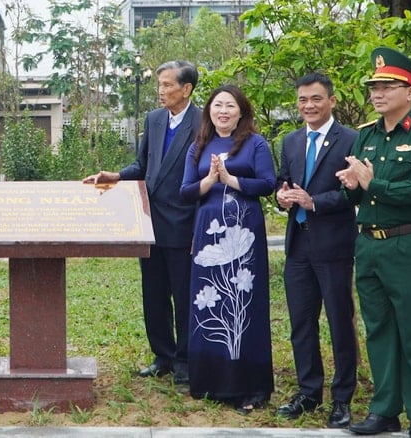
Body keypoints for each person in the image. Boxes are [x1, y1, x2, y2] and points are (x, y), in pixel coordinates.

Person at [337, 47, 411, 438]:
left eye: (388, 86)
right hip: (368, 244)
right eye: (374, 86)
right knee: (379, 329)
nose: (378, 93)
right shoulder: (365, 136)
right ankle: (385, 409)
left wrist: (373, 183)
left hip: (409, 244)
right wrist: (352, 186)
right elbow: (358, 195)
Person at [82, 61, 199, 387]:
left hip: (184, 224)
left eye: (167, 85)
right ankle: (162, 355)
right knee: (154, 294)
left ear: (186, 89)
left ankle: (185, 361)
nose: (161, 91)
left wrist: (200, 227)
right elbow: (143, 165)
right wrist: (116, 176)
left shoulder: (202, 122)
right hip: (149, 223)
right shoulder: (155, 119)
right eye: (159, 85)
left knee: (183, 295)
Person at [179, 84, 275, 413]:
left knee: (243, 304)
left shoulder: (255, 143)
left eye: (230, 106)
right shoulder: (200, 144)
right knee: (209, 304)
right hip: (208, 232)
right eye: (217, 105)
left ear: (241, 111)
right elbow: (186, 190)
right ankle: (210, 380)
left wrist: (231, 179)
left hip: (243, 230)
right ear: (209, 112)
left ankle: (250, 386)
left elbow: (268, 183)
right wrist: (210, 179)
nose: (223, 111)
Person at [274, 73, 359, 428]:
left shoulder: (352, 140)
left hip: (334, 245)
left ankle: (342, 398)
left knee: (340, 323)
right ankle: (309, 392)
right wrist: (280, 197)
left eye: (316, 99)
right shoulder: (291, 142)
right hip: (298, 246)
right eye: (303, 100)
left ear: (332, 100)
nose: (309, 106)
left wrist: (315, 202)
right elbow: (283, 181)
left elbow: (355, 192)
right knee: (301, 323)